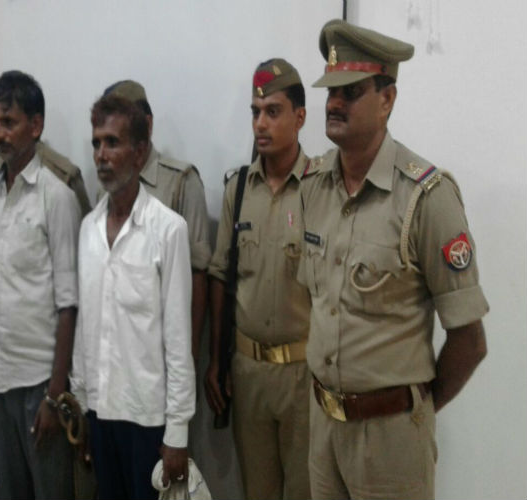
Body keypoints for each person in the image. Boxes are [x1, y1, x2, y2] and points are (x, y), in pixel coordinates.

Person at [299, 19, 489, 500]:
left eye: (351, 91)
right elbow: (317, 304)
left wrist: (413, 410)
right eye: (331, 91)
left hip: (391, 439)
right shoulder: (314, 185)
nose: (334, 103)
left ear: (387, 100)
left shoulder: (425, 198)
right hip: (323, 429)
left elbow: (470, 340)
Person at [71, 95, 195, 500]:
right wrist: (81, 404)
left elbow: (178, 340)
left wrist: (177, 433)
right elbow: (85, 327)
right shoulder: (88, 229)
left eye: (112, 142)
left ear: (139, 153)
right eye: (96, 143)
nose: (101, 155)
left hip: (148, 421)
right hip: (100, 413)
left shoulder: (167, 230)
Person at [204, 58, 315, 500]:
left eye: (273, 111)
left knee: (307, 491)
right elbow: (220, 275)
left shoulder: (320, 188)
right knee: (257, 492)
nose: (260, 124)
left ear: (300, 117)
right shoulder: (238, 189)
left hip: (305, 375)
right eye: (255, 112)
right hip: (248, 372)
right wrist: (217, 360)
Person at [0, 70, 80, 500]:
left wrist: (55, 394)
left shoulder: (57, 197)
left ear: (35, 126)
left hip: (40, 384)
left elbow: (69, 304)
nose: (0, 133)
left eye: (9, 122)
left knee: (51, 492)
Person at [101, 80, 211, 361]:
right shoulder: (106, 188)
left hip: (162, 355)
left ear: (147, 126)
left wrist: (188, 358)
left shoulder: (181, 183)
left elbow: (198, 277)